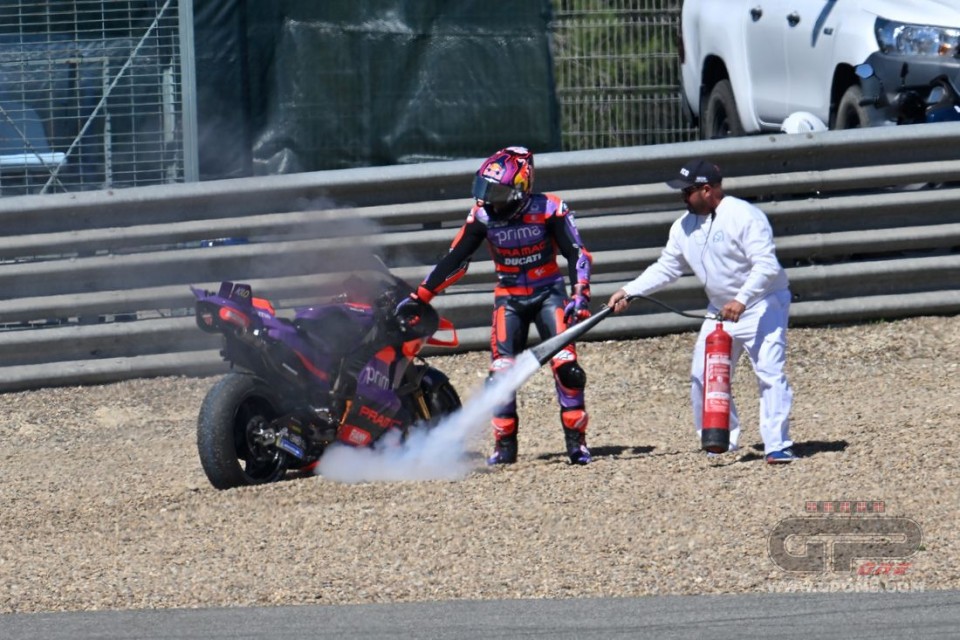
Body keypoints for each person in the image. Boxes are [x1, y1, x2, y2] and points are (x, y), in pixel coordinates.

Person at [407, 146, 595, 465]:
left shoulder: (551, 208)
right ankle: (505, 448)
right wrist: (419, 297)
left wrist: (581, 294)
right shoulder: (481, 216)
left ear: (521, 187)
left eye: (496, 191)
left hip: (549, 292)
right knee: (500, 376)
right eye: (484, 189)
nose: (488, 199)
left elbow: (577, 252)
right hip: (508, 298)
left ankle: (577, 444)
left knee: (568, 370)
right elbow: (454, 259)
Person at [606, 158, 796, 464]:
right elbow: (666, 268)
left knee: (769, 372)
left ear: (707, 190)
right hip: (721, 309)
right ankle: (719, 438)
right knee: (700, 375)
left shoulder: (745, 216)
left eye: (688, 191)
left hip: (764, 304)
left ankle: (777, 445)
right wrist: (629, 291)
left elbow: (767, 265)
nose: (682, 197)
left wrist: (743, 299)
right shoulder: (682, 227)